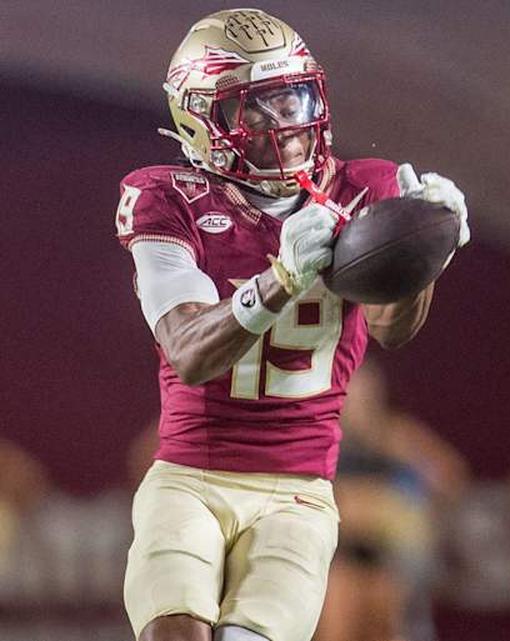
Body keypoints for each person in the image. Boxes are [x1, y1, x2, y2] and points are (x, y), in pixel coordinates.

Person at [115, 9, 470, 641]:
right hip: (192, 475)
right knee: (175, 631)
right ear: (202, 117)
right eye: (261, 106)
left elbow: (392, 329)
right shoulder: (168, 199)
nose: (292, 122)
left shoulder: (364, 187)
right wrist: (282, 277)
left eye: (296, 96)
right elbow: (190, 350)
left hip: (299, 490)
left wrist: (426, 254)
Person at [317, 358, 469, 641]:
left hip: (391, 556)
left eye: (367, 396)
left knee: (388, 600)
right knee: (341, 596)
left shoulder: (396, 435)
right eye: (352, 395)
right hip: (335, 554)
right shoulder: (319, 436)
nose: (359, 405)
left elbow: (450, 479)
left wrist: (404, 458)